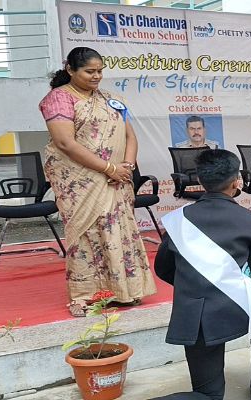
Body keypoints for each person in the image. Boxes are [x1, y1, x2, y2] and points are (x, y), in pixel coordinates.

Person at [39, 47, 156, 317]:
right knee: (87, 234)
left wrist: (126, 167)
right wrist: (109, 168)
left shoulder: (111, 99)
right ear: (70, 70)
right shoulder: (59, 99)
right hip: (82, 182)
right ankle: (84, 295)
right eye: (89, 71)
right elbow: (65, 143)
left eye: (100, 71)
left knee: (118, 231)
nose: (96, 76)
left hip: (116, 179)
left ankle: (123, 291)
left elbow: (130, 137)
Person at [153, 149, 251, 400]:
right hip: (237, 306)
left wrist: (193, 284)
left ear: (199, 180)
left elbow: (163, 268)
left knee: (208, 395)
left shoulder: (178, 220)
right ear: (236, 182)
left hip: (195, 316)